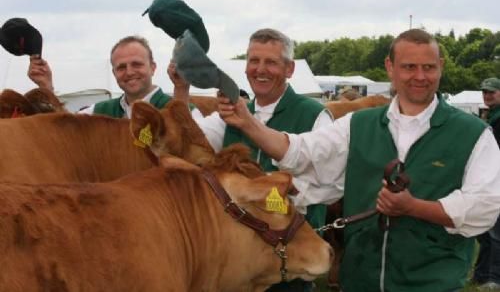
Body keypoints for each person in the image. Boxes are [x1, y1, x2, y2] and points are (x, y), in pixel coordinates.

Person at [217, 29, 500, 292]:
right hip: (360, 279)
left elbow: (484, 205)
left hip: (432, 282)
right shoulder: (357, 125)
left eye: (428, 67)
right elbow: (303, 152)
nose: (419, 76)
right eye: (408, 67)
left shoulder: (473, 133)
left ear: (441, 66)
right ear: (390, 67)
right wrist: (248, 122)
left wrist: (414, 207)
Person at [171, 28, 333, 292]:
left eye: (271, 62)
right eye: (254, 61)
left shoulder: (315, 116)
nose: (260, 69)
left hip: (289, 260)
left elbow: (323, 186)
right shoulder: (231, 115)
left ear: (290, 69)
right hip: (238, 264)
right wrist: (181, 89)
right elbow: (186, 146)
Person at [28, 35, 198, 118]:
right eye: (121, 67)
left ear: (153, 68)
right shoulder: (101, 111)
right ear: (114, 73)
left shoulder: (188, 112)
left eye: (137, 64)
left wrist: (181, 88)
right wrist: (46, 86)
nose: (129, 72)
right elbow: (65, 127)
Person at [472, 77, 500, 290]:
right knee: (485, 229)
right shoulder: (491, 116)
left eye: (492, 92)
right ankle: (481, 274)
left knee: (493, 230)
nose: (488, 95)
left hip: (496, 179)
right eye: (485, 92)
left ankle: (492, 278)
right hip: (489, 178)